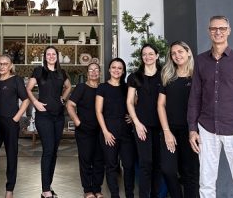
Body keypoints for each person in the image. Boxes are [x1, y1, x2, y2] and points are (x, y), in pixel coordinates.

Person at [187, 15, 233, 198]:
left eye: (222, 28)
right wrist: (192, 129)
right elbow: (194, 97)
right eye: (213, 28)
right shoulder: (201, 61)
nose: (218, 32)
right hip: (206, 129)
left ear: (229, 31)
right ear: (209, 31)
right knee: (206, 183)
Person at [26, 45, 72, 198]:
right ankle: (45, 190)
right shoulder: (39, 71)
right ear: (45, 57)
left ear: (57, 57)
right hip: (44, 116)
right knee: (48, 150)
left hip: (59, 117)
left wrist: (63, 98)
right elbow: (28, 88)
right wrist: (35, 102)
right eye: (48, 54)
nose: (51, 56)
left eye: (54, 54)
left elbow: (68, 87)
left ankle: (48, 185)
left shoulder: (61, 72)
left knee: (54, 152)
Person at [0, 55, 30, 198]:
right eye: (0, 64)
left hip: (11, 123)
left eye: (5, 64)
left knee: (11, 156)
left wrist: (16, 118)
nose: (2, 66)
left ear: (10, 66)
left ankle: (9, 190)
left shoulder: (16, 80)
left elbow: (26, 100)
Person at [157, 41, 199, 198]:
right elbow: (160, 105)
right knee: (168, 169)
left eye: (180, 51)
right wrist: (167, 131)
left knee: (190, 173)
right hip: (170, 130)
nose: (177, 55)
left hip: (191, 131)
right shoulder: (167, 76)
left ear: (188, 52)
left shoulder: (197, 76)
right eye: (173, 53)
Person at [96, 57, 136, 198]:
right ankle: (115, 195)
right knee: (111, 166)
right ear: (109, 69)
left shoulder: (127, 88)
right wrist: (105, 132)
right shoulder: (102, 87)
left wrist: (133, 117)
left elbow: (135, 104)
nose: (116, 70)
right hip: (109, 132)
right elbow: (98, 111)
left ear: (123, 71)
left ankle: (130, 194)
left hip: (126, 133)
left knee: (129, 165)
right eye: (114, 67)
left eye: (120, 68)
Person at [127, 44, 162, 198]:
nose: (147, 57)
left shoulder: (164, 75)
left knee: (158, 164)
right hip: (142, 126)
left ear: (157, 55)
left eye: (150, 54)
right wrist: (137, 123)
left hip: (161, 126)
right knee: (145, 162)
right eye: (144, 54)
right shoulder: (135, 77)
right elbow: (129, 102)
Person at [67, 62, 104, 198]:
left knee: (99, 160)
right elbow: (70, 105)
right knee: (86, 160)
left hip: (101, 130)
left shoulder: (102, 88)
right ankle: (88, 190)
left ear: (100, 73)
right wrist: (77, 122)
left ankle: (97, 189)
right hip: (84, 131)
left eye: (96, 70)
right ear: (87, 73)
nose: (94, 72)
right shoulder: (82, 87)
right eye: (91, 70)